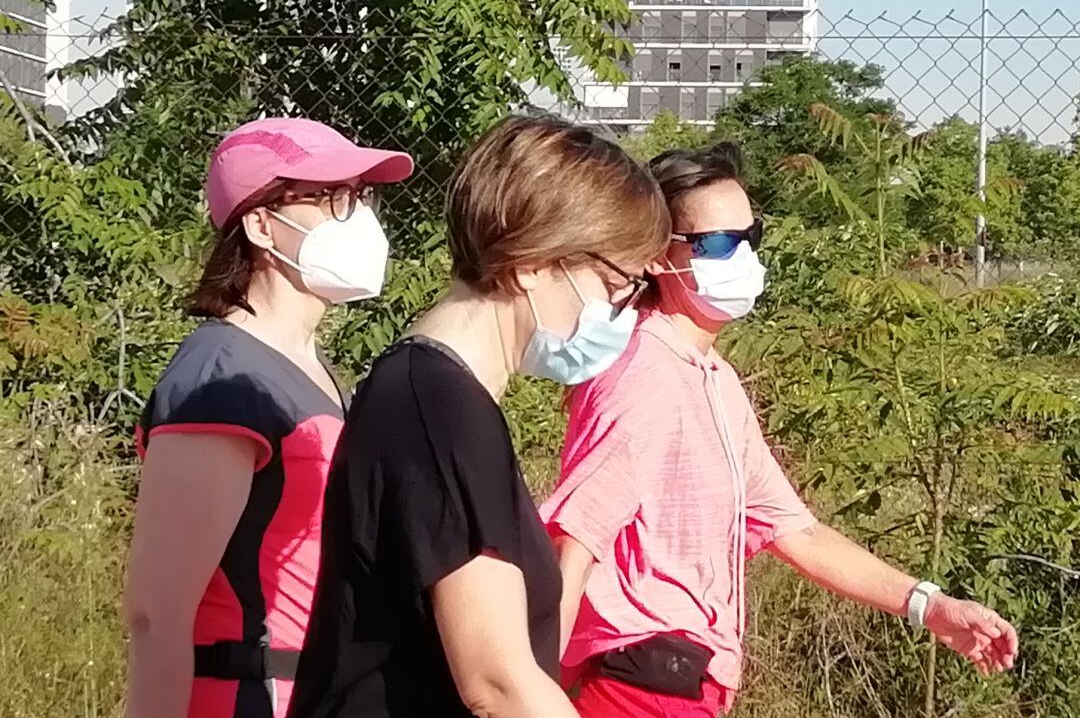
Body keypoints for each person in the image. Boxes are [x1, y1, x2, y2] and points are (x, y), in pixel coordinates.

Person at [541, 143, 1020, 718]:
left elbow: (795, 531)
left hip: (685, 683)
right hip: (643, 683)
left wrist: (930, 606)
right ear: (654, 256)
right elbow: (578, 535)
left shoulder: (712, 378)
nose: (740, 257)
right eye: (716, 243)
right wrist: (533, 688)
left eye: (749, 237)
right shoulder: (644, 370)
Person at [286, 114, 671, 718]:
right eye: (616, 282)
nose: (624, 309)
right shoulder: (437, 412)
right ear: (530, 263)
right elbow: (497, 683)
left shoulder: (442, 399)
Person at [124, 117, 414, 718]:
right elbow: (158, 614)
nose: (357, 215)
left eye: (360, 196)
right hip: (243, 696)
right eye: (332, 197)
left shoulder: (308, 367)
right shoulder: (221, 379)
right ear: (260, 225)